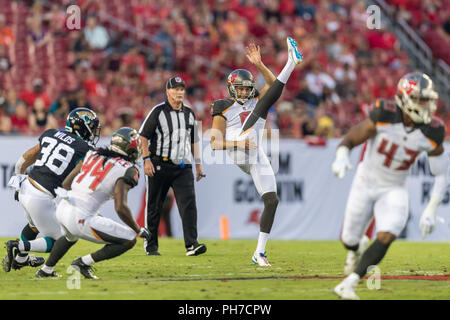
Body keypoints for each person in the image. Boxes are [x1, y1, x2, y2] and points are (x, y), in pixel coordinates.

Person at [331, 72, 448, 300]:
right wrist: (342, 154)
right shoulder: (385, 112)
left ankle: (350, 283)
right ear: (404, 97)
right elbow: (353, 136)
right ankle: (356, 249)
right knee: (349, 240)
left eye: (428, 99)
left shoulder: (433, 130)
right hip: (365, 182)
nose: (426, 105)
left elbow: (442, 174)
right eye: (420, 99)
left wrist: (432, 208)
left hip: (394, 187)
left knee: (389, 232)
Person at [210, 37, 303, 266]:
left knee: (272, 201)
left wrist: (260, 65)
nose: (243, 91)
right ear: (231, 88)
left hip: (254, 154)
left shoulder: (254, 99)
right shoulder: (222, 106)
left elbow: (273, 87)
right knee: (262, 109)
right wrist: (237, 144)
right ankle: (291, 62)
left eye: (246, 87)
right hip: (238, 147)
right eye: (239, 88)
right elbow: (214, 143)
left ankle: (259, 253)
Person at [35, 127, 150, 279]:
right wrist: (138, 229)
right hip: (80, 216)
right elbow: (120, 207)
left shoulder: (92, 154)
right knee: (129, 239)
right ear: (130, 148)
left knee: (70, 237)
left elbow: (66, 183)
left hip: (64, 207)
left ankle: (46, 270)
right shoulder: (129, 170)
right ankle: (83, 262)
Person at [3, 108, 100, 272]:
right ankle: (18, 247)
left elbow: (23, 160)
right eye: (92, 127)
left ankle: (20, 259)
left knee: (34, 225)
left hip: (26, 186)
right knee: (60, 240)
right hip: (41, 196)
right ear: (82, 127)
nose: (95, 132)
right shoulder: (84, 148)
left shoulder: (51, 133)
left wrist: (18, 181)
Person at [139, 76, 206, 256]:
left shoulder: (189, 113)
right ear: (168, 92)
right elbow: (143, 136)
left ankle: (191, 244)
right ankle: (151, 246)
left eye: (182, 89)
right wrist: (146, 159)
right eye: (175, 89)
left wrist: (198, 164)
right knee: (154, 206)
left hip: (183, 167)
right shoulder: (158, 111)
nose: (179, 92)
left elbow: (193, 140)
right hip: (159, 164)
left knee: (188, 205)